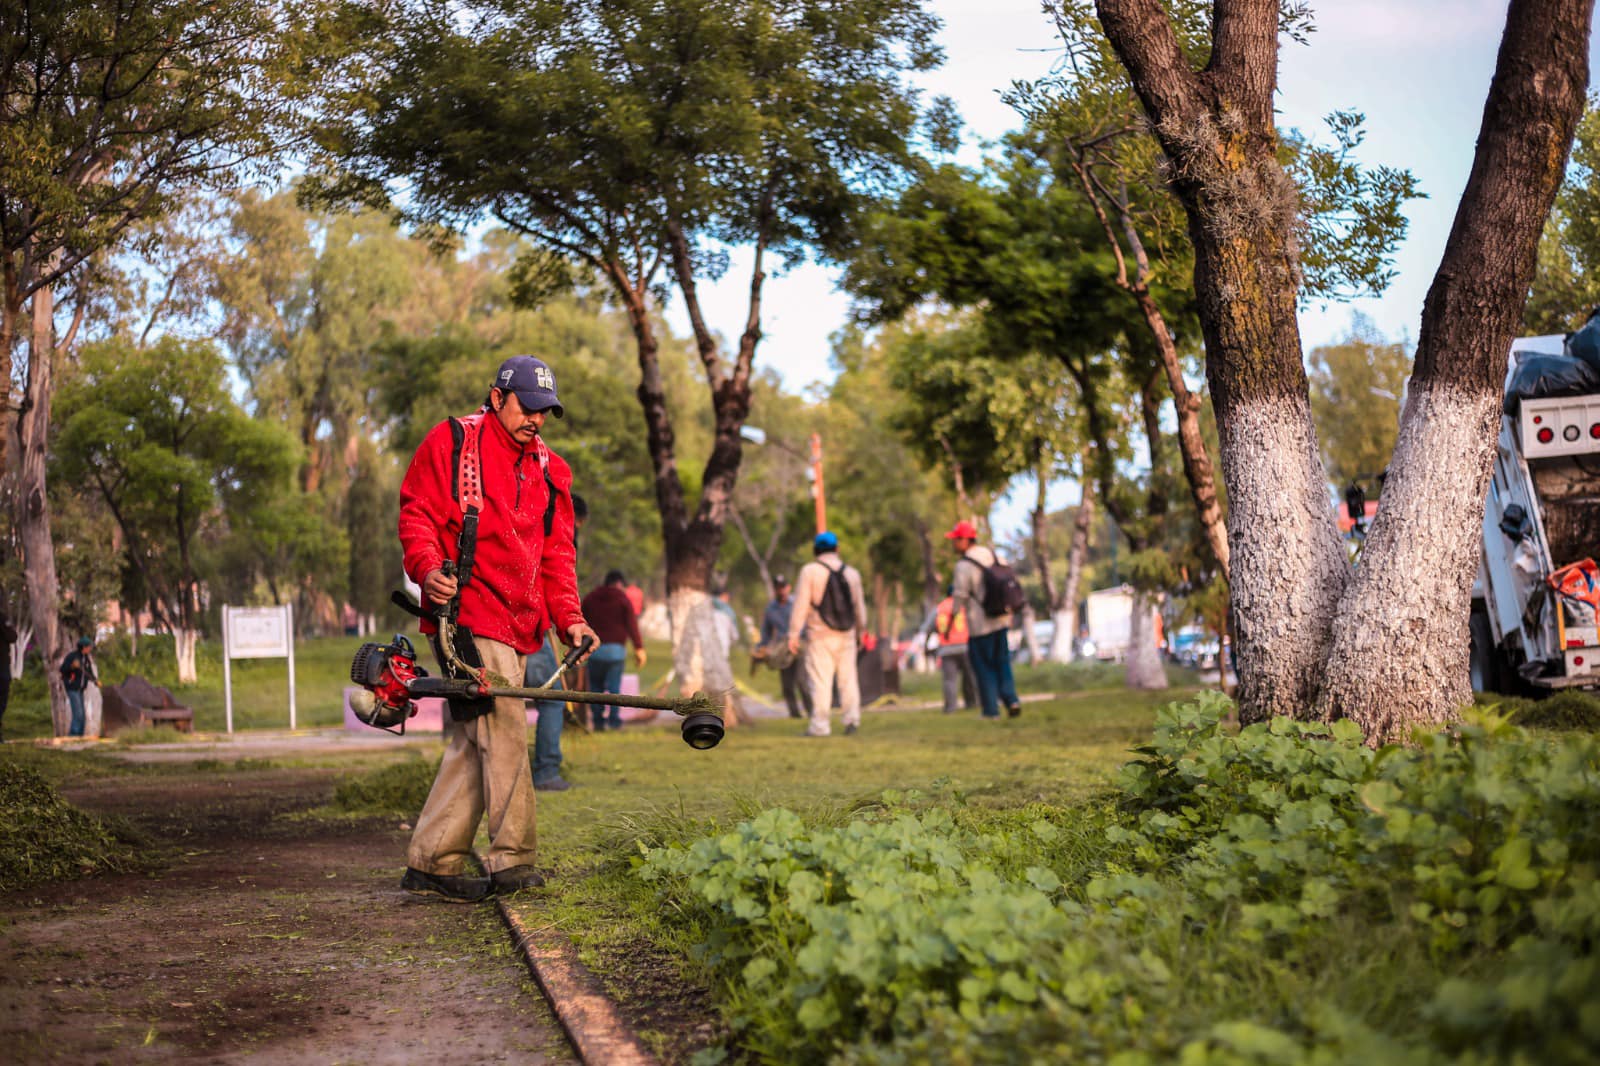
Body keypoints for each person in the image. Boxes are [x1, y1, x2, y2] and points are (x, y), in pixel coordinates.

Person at [397, 354, 598, 902]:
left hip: (523, 619)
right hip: (467, 612)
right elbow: (416, 513)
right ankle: (513, 858)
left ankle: (432, 859)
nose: (536, 420)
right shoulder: (452, 443)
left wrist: (572, 619)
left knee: (476, 736)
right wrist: (427, 569)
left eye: (545, 411)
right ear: (496, 396)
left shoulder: (553, 472)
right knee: (505, 724)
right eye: (527, 407)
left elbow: (558, 556)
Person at [525, 493, 590, 791]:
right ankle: (546, 771)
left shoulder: (526, 522)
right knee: (551, 700)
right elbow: (557, 574)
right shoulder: (555, 528)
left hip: (523, 623)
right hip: (529, 628)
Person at [786, 531, 868, 737]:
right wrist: (861, 631)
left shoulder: (810, 571)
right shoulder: (852, 573)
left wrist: (793, 634)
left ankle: (820, 726)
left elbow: (801, 605)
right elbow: (859, 608)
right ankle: (851, 719)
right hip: (847, 635)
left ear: (815, 550)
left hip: (819, 635)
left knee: (821, 681)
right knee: (848, 679)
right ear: (837, 549)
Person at [946, 521, 1021, 720]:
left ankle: (990, 710)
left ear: (964, 540)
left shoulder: (964, 565)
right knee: (1003, 663)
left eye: (955, 540)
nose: (953, 544)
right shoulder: (996, 556)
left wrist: (952, 620)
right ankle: (1012, 700)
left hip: (980, 624)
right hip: (1001, 619)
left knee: (984, 667)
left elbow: (960, 595)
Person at [579, 569, 647, 731]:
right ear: (619, 584)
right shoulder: (622, 599)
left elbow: (581, 621)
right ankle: (614, 721)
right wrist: (639, 647)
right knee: (614, 688)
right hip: (616, 652)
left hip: (594, 650)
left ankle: (598, 722)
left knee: (595, 688)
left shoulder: (590, 598)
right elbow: (632, 625)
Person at [761, 575, 811, 719]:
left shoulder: (797, 603)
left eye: (783, 587)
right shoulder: (771, 608)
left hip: (800, 645)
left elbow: (808, 623)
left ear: (788, 587)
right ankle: (794, 714)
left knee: (802, 681)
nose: (781, 591)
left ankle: (812, 711)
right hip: (783, 649)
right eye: (778, 588)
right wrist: (762, 647)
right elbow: (766, 631)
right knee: (787, 685)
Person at [932, 590, 978, 714]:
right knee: (969, 677)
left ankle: (950, 708)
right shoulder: (964, 606)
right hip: (965, 647)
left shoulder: (940, 607)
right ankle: (972, 703)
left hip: (946, 649)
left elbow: (928, 626)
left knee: (949, 680)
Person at [59, 636, 96, 738]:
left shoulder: (86, 658)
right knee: (78, 713)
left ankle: (80, 736)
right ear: (83, 647)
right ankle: (73, 736)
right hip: (72, 688)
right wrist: (71, 667)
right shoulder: (72, 656)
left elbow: (88, 672)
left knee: (82, 715)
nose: (90, 649)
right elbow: (62, 669)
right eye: (89, 646)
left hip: (80, 689)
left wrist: (95, 680)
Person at [0, 607, 16, 741]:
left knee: (2, 700)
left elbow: (13, 637)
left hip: (3, 665)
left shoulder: (2, 617)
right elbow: (12, 636)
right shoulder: (2, 618)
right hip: (2, 667)